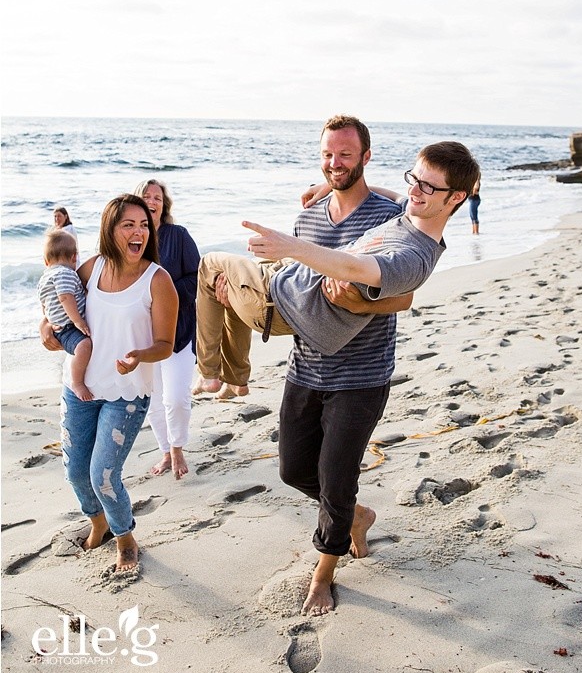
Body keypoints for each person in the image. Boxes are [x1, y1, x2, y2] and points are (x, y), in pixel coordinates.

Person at [244, 138, 480, 617]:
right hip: (306, 363)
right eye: (415, 178)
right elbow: (389, 193)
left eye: (430, 187)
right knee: (293, 470)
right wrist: (324, 185)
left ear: (456, 198)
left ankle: (323, 574)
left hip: (360, 377)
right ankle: (358, 516)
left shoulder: (414, 255)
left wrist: (289, 247)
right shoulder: (399, 207)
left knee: (335, 481)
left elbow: (357, 268)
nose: (416, 190)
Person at [193, 115, 413, 401]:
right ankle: (233, 379)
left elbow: (405, 298)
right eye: (328, 155)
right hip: (304, 370)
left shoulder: (388, 219)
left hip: (361, 375)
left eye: (345, 155)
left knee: (210, 264)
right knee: (227, 279)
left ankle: (210, 373)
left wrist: (359, 305)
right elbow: (293, 276)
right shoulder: (307, 218)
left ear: (366, 157)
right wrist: (234, 293)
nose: (335, 163)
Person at [40, 194, 178, 573]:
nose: (138, 232)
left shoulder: (158, 280)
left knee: (103, 474)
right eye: (128, 225)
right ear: (110, 230)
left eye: (144, 225)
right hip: (81, 386)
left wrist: (138, 356)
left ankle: (125, 537)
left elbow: (165, 344)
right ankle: (96, 521)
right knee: (74, 470)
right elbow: (56, 304)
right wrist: (45, 329)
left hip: (127, 394)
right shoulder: (90, 268)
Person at [134, 179, 200, 480]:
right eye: (145, 196)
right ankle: (165, 450)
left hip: (179, 330)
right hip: (141, 334)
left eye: (157, 196)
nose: (152, 200)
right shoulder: (131, 240)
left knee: (175, 397)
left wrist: (164, 293)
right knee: (151, 399)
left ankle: (178, 447)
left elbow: (197, 277)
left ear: (164, 203)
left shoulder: (178, 235)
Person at [37, 228, 93, 401]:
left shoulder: (45, 277)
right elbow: (65, 297)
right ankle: (77, 382)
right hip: (68, 327)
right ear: (74, 257)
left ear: (46, 261)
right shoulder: (65, 273)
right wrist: (78, 321)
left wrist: (47, 321)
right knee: (84, 346)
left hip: (58, 326)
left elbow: (44, 304)